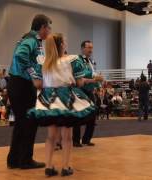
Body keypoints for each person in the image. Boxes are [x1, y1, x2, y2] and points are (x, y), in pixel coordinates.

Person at [27, 33, 96, 177]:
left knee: (51, 136)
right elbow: (79, 82)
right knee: (67, 136)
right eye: (65, 42)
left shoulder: (42, 61)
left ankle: (49, 166)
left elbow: (38, 84)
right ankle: (65, 167)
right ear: (62, 45)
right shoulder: (72, 60)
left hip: (48, 99)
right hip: (66, 98)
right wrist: (81, 81)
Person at [7, 14, 52, 169]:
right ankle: (25, 160)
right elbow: (20, 56)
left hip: (19, 84)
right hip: (22, 85)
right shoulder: (32, 40)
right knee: (29, 122)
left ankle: (14, 160)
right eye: (49, 27)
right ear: (43, 27)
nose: (50, 31)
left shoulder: (32, 40)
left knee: (21, 123)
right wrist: (34, 77)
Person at [72, 40, 104, 147]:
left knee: (93, 114)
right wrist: (95, 77)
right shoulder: (78, 60)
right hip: (80, 90)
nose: (91, 50)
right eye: (88, 47)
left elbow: (94, 75)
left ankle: (86, 139)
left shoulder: (91, 61)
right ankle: (75, 140)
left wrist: (98, 86)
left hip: (90, 90)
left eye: (92, 48)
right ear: (82, 48)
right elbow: (82, 74)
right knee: (78, 115)